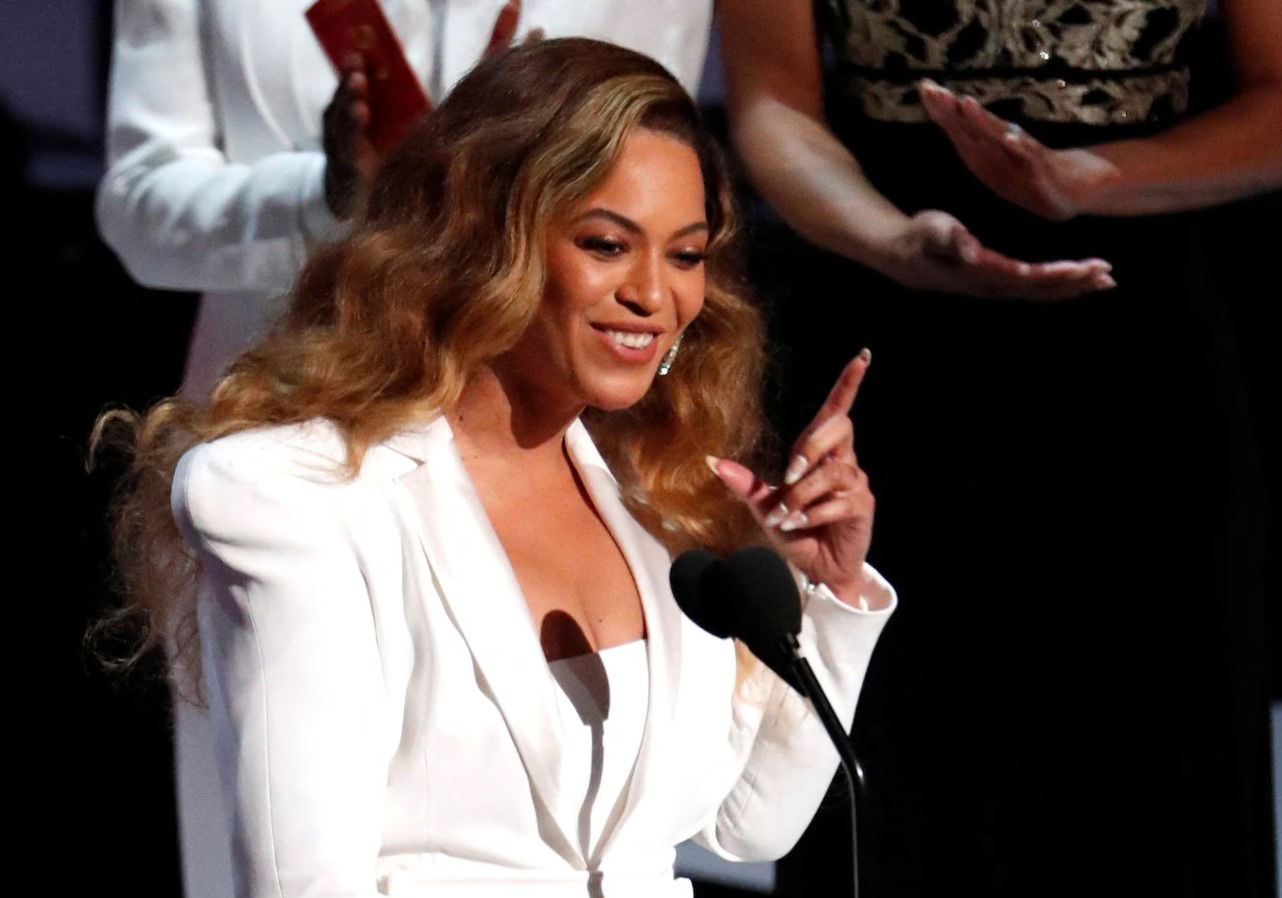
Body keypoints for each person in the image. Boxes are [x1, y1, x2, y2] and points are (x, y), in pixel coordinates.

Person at [98, 39, 897, 897]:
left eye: (686, 255)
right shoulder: (298, 499)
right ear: (484, 239)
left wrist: (829, 591)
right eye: (606, 244)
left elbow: (747, 822)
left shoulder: (660, 499)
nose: (654, 296)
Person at [717, 1, 1280, 895]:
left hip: (1143, 343)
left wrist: (1090, 180)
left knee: (1158, 757)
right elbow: (773, 102)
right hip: (892, 318)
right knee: (907, 750)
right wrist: (889, 239)